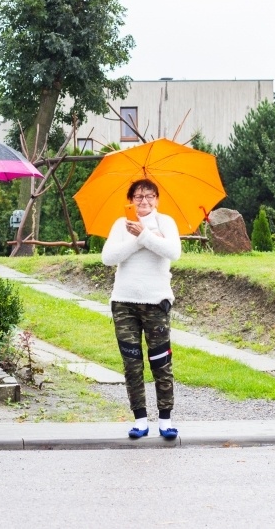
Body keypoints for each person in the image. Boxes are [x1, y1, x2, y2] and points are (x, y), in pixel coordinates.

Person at [101, 179, 182, 440]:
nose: (144, 201)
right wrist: (139, 239)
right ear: (130, 199)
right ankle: (140, 420)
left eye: (149, 196)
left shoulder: (166, 223)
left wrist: (145, 234)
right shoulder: (120, 225)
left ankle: (166, 421)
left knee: (161, 363)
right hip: (124, 302)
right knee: (132, 364)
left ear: (157, 199)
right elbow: (108, 257)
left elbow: (173, 251)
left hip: (156, 302)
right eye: (138, 196)